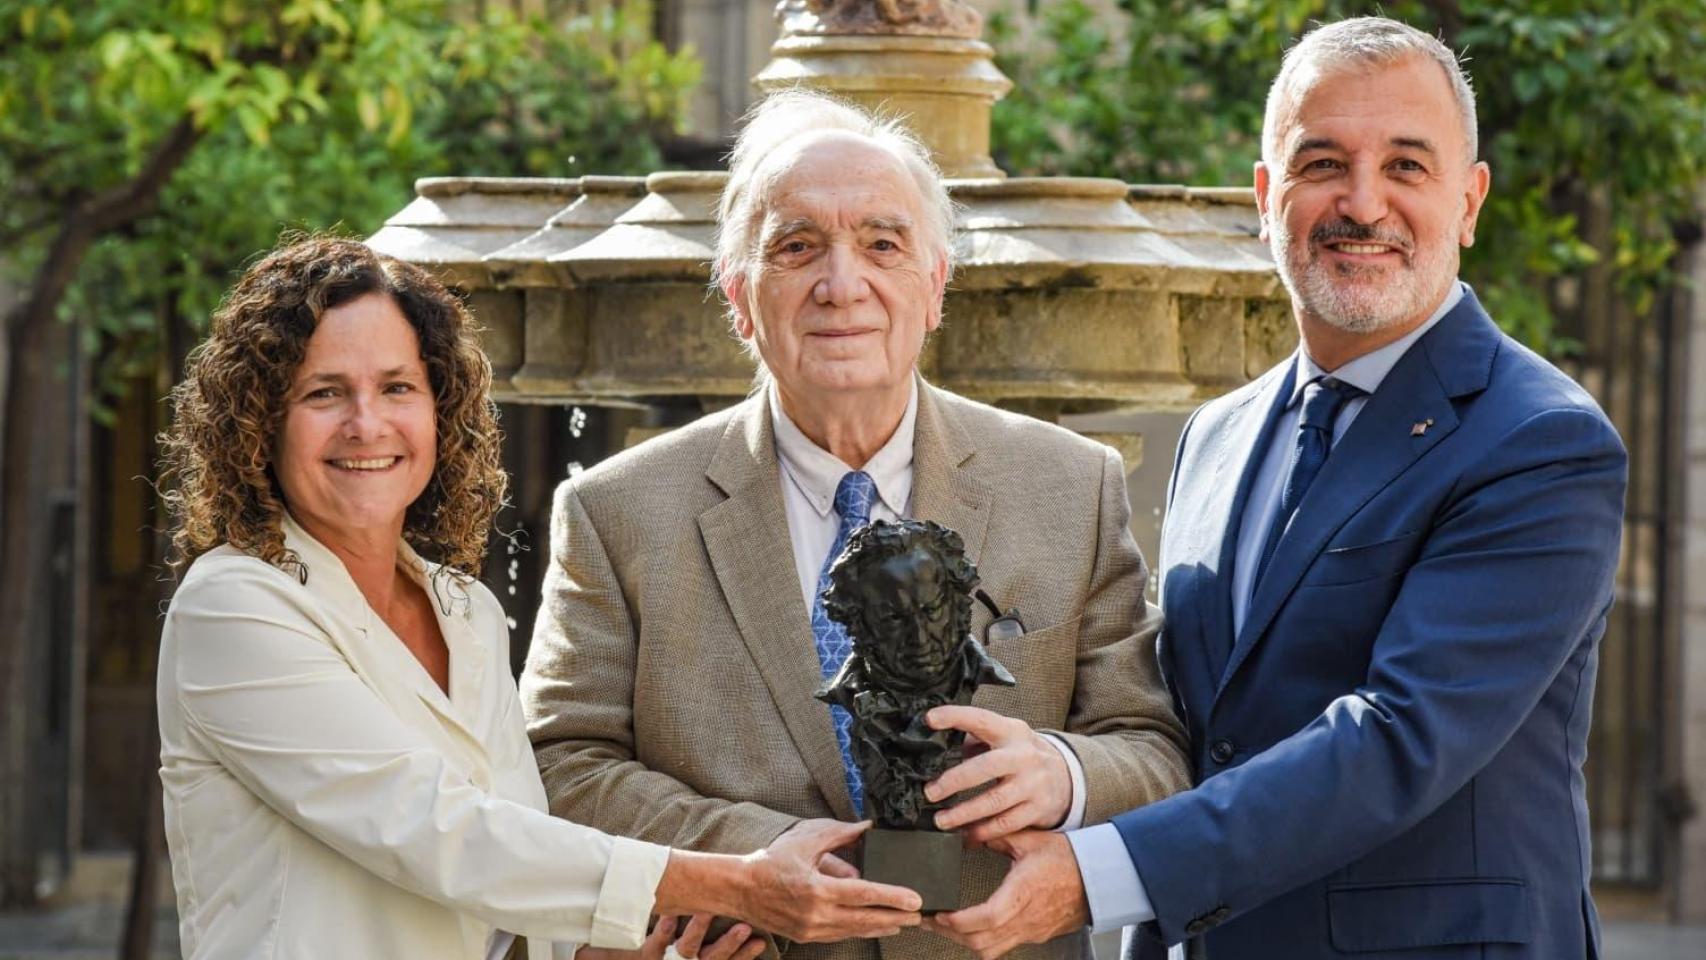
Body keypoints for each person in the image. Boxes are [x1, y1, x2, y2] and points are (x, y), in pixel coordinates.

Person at [924, 16, 1627, 960]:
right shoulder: (1216, 434)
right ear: (1266, 196)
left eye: (1408, 166)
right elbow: (1188, 721)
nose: (1363, 203)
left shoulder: (1542, 442)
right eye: (1322, 162)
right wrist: (1056, 771)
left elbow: (1397, 740)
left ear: (1469, 201)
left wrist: (1098, 873)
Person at [520, 90, 1191, 960]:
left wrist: (1062, 775)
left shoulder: (1073, 485)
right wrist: (743, 863)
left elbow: (1157, 752)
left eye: (883, 243)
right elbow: (557, 765)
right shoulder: (616, 510)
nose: (843, 284)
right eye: (797, 248)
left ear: (935, 285)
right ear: (739, 297)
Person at [155, 237, 923, 960]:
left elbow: (507, 868)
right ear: (259, 424)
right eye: (324, 393)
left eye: (397, 388)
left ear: (441, 411)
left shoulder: (464, 609)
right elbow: (434, 832)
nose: (367, 424)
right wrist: (736, 883)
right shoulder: (233, 606)